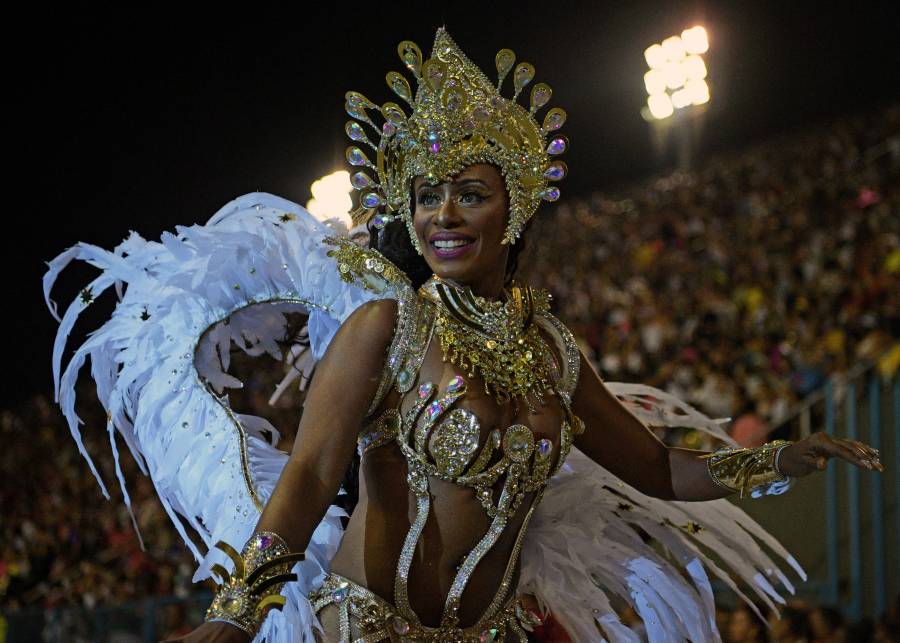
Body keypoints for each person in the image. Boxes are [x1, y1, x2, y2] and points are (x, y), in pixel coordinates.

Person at [45, 28, 882, 643]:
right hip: (367, 627)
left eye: (470, 193)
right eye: (427, 194)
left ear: (514, 208)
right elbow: (307, 474)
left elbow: (659, 465)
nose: (442, 212)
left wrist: (774, 460)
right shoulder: (386, 327)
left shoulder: (553, 351)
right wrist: (234, 618)